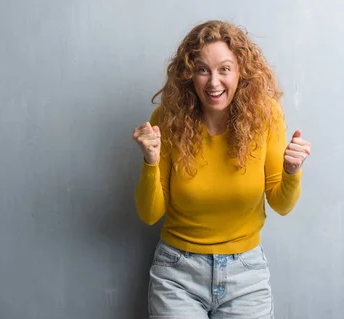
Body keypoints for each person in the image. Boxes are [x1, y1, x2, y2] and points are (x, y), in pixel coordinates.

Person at [132, 20, 311, 319]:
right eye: (203, 70)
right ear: (190, 75)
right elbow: (150, 214)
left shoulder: (265, 116)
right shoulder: (166, 118)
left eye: (224, 69)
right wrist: (150, 162)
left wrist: (292, 171)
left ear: (241, 71)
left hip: (246, 276)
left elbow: (281, 204)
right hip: (178, 274)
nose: (213, 82)